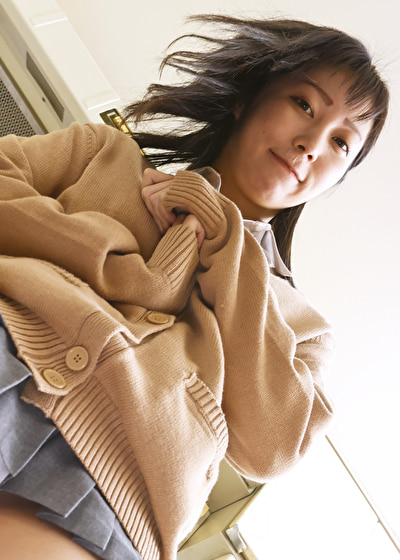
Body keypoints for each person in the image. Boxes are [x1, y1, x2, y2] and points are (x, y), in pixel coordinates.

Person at [0, 14, 389, 560]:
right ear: (247, 100)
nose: (311, 144)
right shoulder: (101, 152)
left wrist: (226, 240)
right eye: (304, 104)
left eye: (342, 143)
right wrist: (120, 271)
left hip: (114, 491)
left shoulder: (302, 329)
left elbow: (273, 448)